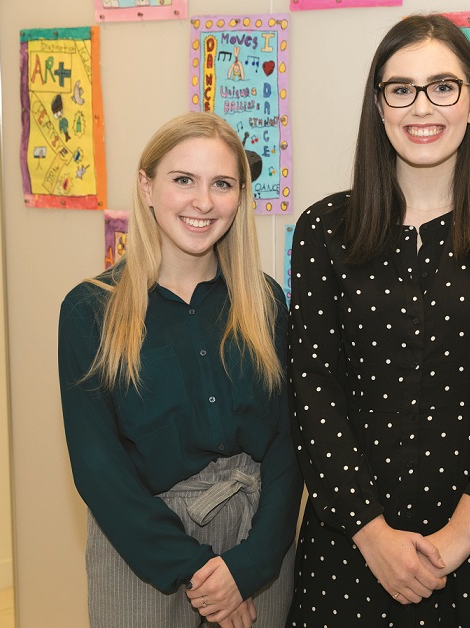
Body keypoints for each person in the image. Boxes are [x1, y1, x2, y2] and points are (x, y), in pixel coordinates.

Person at [288, 14, 470, 627]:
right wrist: (375, 536)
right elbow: (313, 398)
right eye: (401, 88)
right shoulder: (323, 231)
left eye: (443, 86)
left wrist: (452, 543)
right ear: (378, 107)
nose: (422, 107)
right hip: (350, 550)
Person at [58, 111, 302, 628]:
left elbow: (288, 441)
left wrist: (249, 565)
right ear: (147, 187)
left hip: (258, 539)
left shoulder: (264, 301)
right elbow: (97, 466)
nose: (203, 202)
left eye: (222, 184)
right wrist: (200, 572)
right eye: (183, 180)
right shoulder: (89, 310)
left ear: (240, 196)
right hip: (142, 548)